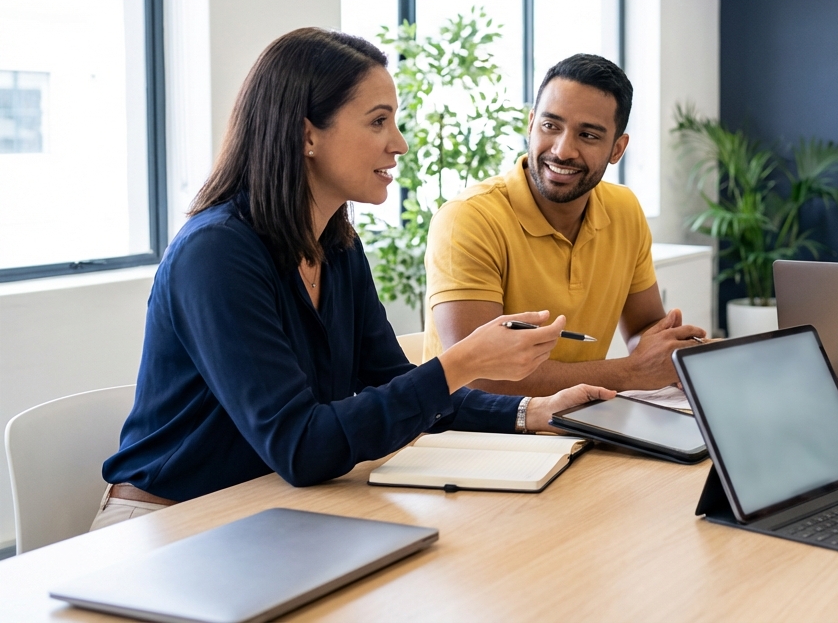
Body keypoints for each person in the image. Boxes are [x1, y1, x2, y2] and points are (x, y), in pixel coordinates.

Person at [95, 28, 612, 530]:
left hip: (269, 511)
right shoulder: (216, 254)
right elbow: (301, 447)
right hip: (166, 523)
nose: (400, 144)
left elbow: (387, 382)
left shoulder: (337, 246)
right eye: (378, 122)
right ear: (307, 135)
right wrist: (462, 362)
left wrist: (531, 410)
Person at [422, 54, 705, 396]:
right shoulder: (468, 218)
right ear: (530, 123)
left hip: (578, 419)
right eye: (550, 125)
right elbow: (479, 376)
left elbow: (644, 327)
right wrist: (630, 372)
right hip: (481, 432)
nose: (562, 150)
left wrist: (672, 352)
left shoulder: (624, 209)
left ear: (617, 149)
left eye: (587, 135)